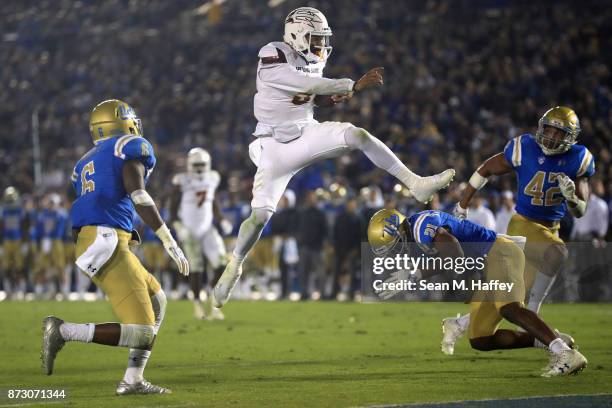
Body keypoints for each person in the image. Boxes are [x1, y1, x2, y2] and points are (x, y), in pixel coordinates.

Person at [212, 7, 455, 307]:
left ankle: (415, 183)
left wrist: (332, 99)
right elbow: (305, 85)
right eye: (315, 38)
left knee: (357, 135)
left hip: (306, 133)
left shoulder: (313, 61)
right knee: (260, 216)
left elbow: (311, 98)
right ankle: (235, 264)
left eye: (323, 39)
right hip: (272, 145)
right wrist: (351, 85)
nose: (321, 46)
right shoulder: (272, 53)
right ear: (296, 35)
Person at [41, 99, 189, 395]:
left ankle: (133, 379)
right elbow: (139, 196)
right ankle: (63, 331)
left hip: (96, 238)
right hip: (106, 239)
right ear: (123, 122)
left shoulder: (85, 161)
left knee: (158, 301)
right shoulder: (129, 146)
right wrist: (168, 239)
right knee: (144, 331)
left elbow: (87, 203)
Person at [367, 209, 587, 377]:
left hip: (499, 252)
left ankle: (565, 354)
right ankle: (553, 340)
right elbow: (447, 255)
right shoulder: (416, 232)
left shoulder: (420, 226)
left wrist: (462, 281)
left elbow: (452, 249)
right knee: (481, 338)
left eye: (393, 245)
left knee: (510, 308)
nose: (395, 251)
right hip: (489, 261)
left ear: (396, 230)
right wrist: (415, 274)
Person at [445, 107, 595, 346]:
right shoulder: (524, 148)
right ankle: (534, 316)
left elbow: (580, 211)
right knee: (556, 252)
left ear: (570, 137)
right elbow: (485, 169)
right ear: (541, 127)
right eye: (549, 130)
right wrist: (463, 204)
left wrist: (573, 199)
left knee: (504, 305)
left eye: (559, 133)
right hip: (523, 225)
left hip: (549, 230)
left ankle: (462, 323)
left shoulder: (579, 158)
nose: (552, 137)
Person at [170, 147, 231, 320]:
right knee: (196, 268)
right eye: (195, 164)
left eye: (201, 164)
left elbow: (212, 201)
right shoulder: (181, 180)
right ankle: (197, 303)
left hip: (207, 228)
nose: (198, 168)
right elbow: (172, 206)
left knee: (221, 264)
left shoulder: (213, 177)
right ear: (190, 164)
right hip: (189, 229)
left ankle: (213, 299)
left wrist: (221, 219)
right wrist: (177, 225)